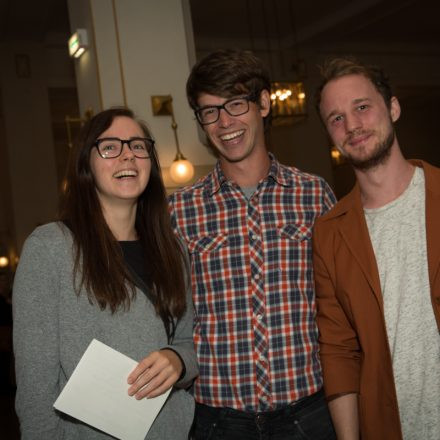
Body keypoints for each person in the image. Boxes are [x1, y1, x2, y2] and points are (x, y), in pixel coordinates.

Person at [169, 49, 336, 439]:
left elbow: (338, 306)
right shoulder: (177, 210)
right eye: (209, 111)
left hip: (308, 414)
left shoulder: (314, 195)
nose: (224, 122)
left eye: (235, 104)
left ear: (263, 103)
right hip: (216, 421)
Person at [12, 108, 198, 439]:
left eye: (138, 146)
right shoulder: (50, 248)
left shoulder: (173, 249)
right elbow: (35, 387)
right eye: (110, 147)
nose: (128, 155)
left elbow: (189, 340)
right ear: (86, 164)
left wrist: (179, 359)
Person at [313, 56, 440, 440]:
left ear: (394, 108)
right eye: (336, 118)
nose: (352, 125)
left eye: (362, 107)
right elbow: (338, 351)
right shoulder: (330, 233)